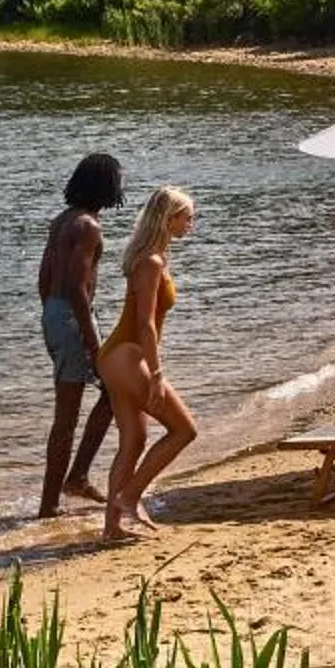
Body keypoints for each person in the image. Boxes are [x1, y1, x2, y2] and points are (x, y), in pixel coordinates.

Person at [97, 185, 198, 542]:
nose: (192, 223)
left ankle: (112, 529)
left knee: (133, 440)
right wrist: (156, 375)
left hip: (116, 357)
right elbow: (145, 324)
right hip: (126, 357)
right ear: (168, 219)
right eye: (187, 216)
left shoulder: (151, 256)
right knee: (184, 429)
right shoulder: (151, 262)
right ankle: (130, 497)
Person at [36, 152, 123, 517]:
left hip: (54, 314)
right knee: (87, 405)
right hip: (74, 316)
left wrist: (52, 320)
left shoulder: (61, 221)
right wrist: (93, 343)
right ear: (105, 185)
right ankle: (57, 497)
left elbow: (43, 280)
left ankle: (70, 484)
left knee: (105, 395)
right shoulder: (88, 226)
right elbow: (77, 288)